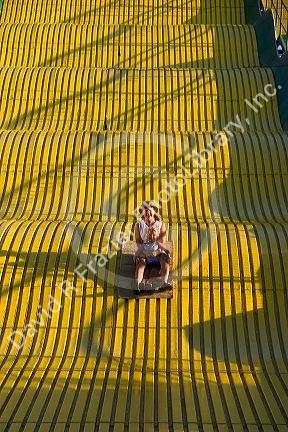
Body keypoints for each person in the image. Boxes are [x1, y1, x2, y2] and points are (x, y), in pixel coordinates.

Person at [134, 200, 170, 293]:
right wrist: (141, 253)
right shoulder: (139, 225)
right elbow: (139, 243)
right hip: (145, 252)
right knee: (141, 263)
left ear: (154, 211)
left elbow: (162, 243)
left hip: (157, 252)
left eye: (150, 210)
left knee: (164, 258)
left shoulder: (160, 224)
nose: (148, 212)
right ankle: (137, 284)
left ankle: (164, 282)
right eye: (145, 210)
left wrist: (157, 252)